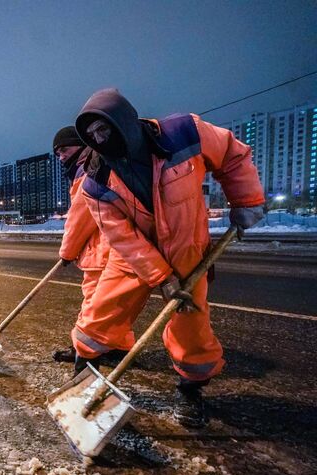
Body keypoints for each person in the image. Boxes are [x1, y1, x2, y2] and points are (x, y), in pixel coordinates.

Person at [74, 88, 264, 427]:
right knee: (99, 317)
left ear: (125, 122)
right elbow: (122, 236)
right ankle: (81, 378)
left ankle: (190, 391)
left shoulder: (183, 134)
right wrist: (161, 277)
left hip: (188, 250)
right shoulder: (96, 179)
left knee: (191, 328)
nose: (100, 140)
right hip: (132, 258)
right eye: (92, 136)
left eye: (104, 129)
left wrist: (247, 201)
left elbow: (233, 156)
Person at [50, 127, 130, 364]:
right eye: (58, 153)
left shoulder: (88, 173)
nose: (61, 156)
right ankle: (119, 345)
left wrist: (67, 252)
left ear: (82, 145)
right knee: (111, 305)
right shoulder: (95, 167)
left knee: (94, 303)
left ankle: (84, 350)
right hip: (109, 247)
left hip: (102, 250)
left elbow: (80, 218)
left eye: (65, 149)